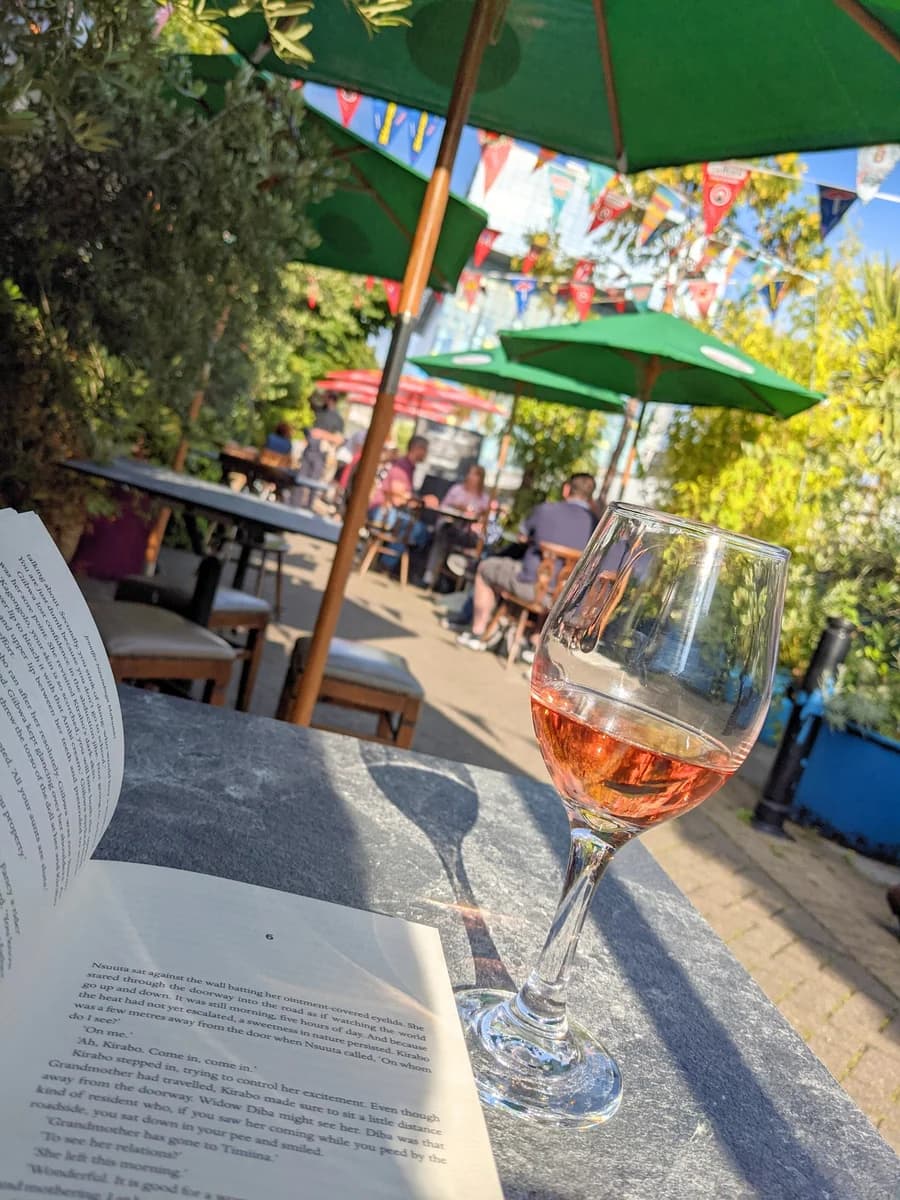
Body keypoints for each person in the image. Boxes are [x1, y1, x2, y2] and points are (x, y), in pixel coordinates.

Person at [457, 473, 598, 651]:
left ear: (566, 489)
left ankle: (477, 632)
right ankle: (534, 643)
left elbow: (522, 537)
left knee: (486, 567)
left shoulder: (546, 510)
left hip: (532, 587)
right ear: (591, 496)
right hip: (567, 600)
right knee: (550, 582)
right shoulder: (597, 525)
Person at [422, 465, 491, 589]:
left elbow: (486, 521)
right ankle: (430, 575)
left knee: (480, 546)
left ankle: (461, 583)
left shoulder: (484, 499)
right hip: (450, 527)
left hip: (469, 534)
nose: (470, 476)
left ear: (480, 478)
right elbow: (443, 507)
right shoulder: (457, 490)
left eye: (474, 474)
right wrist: (456, 506)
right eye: (470, 473)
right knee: (443, 536)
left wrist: (479, 515)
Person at [295, 392, 345, 505]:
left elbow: (339, 439)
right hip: (310, 447)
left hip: (322, 451)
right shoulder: (319, 411)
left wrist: (321, 434)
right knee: (301, 477)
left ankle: (308, 504)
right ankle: (297, 502)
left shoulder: (337, 419)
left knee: (314, 480)